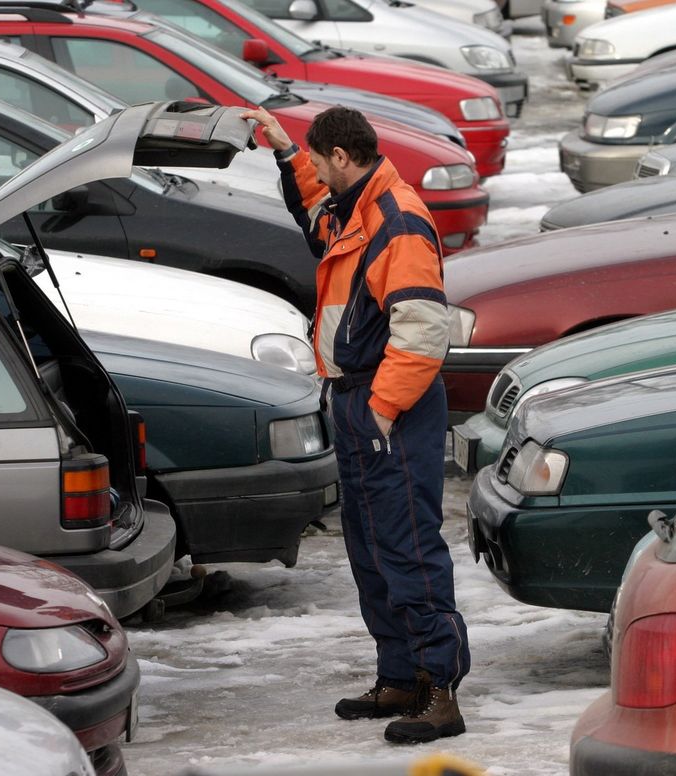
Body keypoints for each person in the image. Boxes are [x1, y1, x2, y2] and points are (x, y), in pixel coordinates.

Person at [240, 105, 470, 744]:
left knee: (408, 549)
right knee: (371, 550)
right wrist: (287, 152)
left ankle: (438, 692)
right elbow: (317, 214)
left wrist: (381, 409)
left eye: (317, 158)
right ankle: (399, 676)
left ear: (342, 157)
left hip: (387, 407)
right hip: (360, 401)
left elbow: (423, 334)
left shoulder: (396, 223)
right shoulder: (355, 210)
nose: (314, 169)